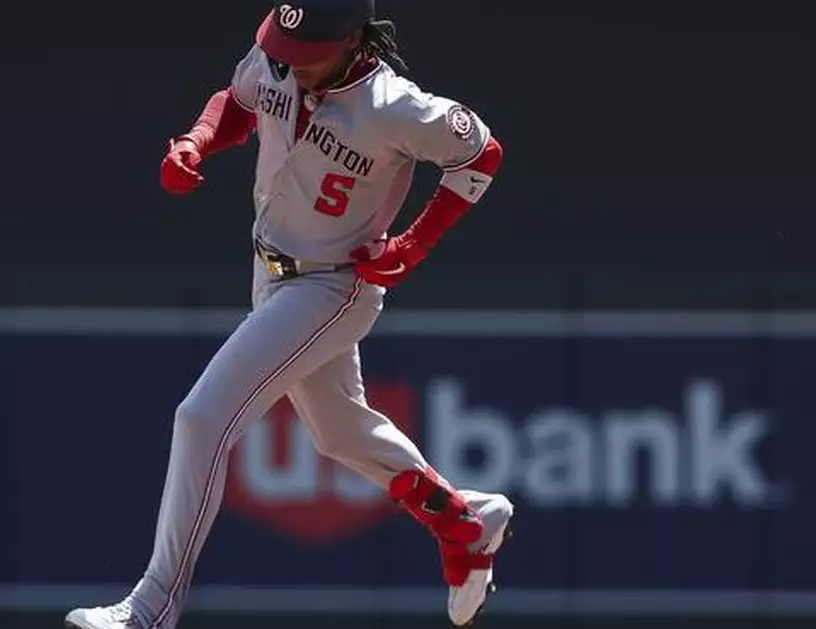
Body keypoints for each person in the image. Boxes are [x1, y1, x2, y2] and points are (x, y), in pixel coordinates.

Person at [67, 1, 511, 627]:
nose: (293, 63)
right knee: (339, 432)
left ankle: (151, 608)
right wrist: (196, 140)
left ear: (355, 40)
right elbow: (239, 101)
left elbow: (481, 153)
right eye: (286, 45)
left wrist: (412, 246)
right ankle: (463, 522)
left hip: (333, 286)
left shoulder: (394, 105)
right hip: (270, 272)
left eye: (310, 51)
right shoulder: (279, 63)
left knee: (200, 418)